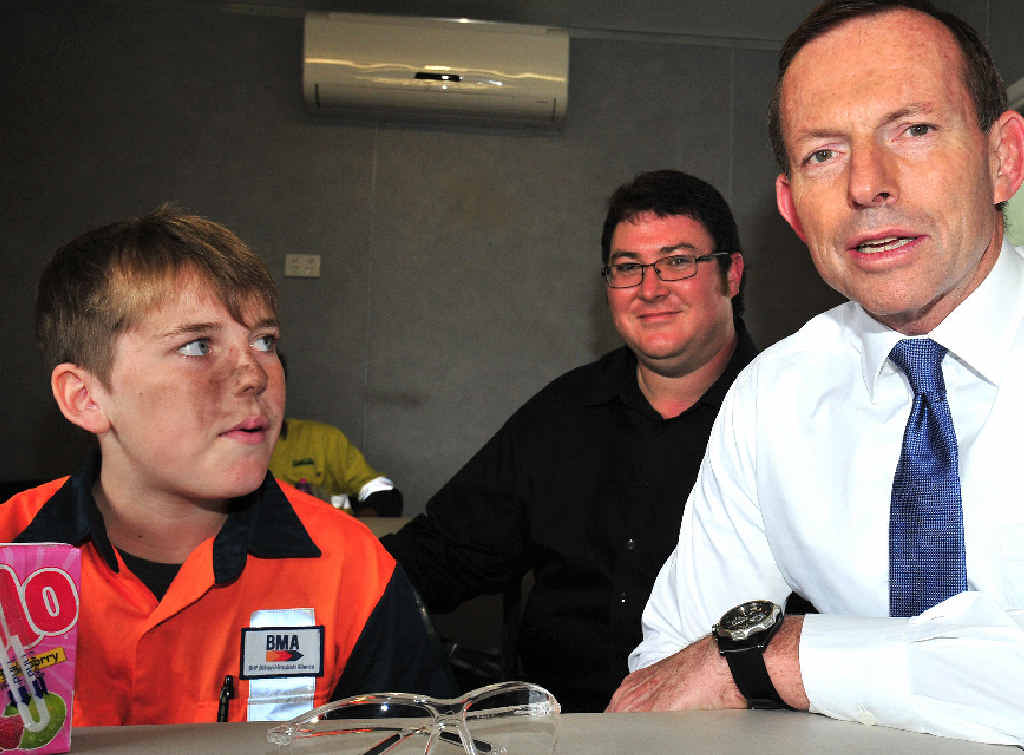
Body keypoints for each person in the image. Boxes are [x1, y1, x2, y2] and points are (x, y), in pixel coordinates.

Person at [608, 0, 1024, 746]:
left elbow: (727, 664)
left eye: (915, 130)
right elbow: (672, 681)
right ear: (793, 210)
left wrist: (792, 653)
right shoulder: (774, 397)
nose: (868, 184)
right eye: (823, 153)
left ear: (1005, 159)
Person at [6, 206, 452, 725]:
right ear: (85, 398)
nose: (256, 375)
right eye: (197, 345)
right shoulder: (9, 553)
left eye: (264, 341)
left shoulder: (351, 572)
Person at [382, 170, 755, 712]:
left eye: (677, 262)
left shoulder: (788, 415)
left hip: (725, 739)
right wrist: (311, 576)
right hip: (554, 732)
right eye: (628, 268)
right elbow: (440, 556)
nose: (650, 289)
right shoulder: (564, 412)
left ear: (731, 274)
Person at [270, 355, 403, 516]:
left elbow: (382, 492)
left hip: (327, 536)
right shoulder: (233, 449)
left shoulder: (322, 439)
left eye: (271, 385)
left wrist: (366, 520)